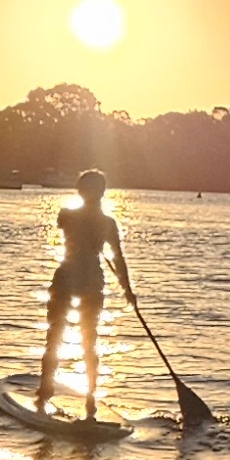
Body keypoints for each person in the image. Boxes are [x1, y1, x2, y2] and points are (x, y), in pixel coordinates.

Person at [37, 170, 132, 416]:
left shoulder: (68, 215)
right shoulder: (105, 223)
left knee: (61, 337)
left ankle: (54, 389)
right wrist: (126, 289)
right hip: (81, 280)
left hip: (74, 279)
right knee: (80, 339)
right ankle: (83, 395)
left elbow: (117, 258)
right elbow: (117, 258)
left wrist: (128, 290)